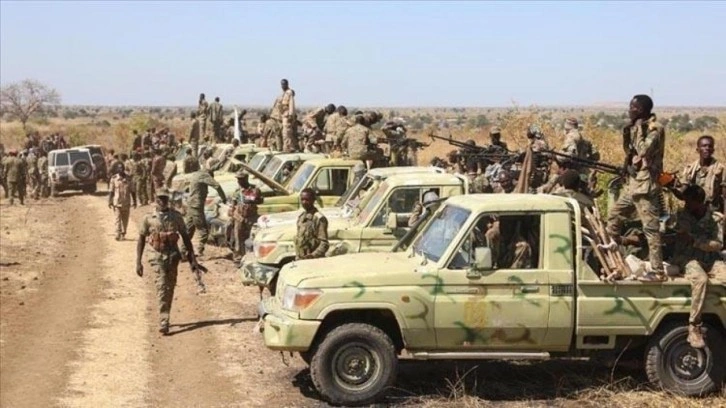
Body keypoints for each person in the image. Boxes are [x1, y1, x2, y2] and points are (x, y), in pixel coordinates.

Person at [606, 94, 666, 282]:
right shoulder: (634, 127)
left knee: (651, 229)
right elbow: (630, 151)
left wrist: (639, 129)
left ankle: (657, 272)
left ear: (641, 110)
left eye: (633, 107)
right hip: (634, 184)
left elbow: (644, 151)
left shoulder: (654, 129)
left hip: (646, 186)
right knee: (614, 216)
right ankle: (613, 255)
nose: (629, 110)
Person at [137, 188, 202, 335]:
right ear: (156, 199)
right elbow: (141, 238)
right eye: (160, 198)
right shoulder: (148, 218)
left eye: (165, 198)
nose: (162, 201)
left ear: (168, 200)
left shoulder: (176, 217)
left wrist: (192, 259)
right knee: (161, 285)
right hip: (156, 256)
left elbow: (185, 237)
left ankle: (166, 313)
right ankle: (164, 320)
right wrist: (138, 261)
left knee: (170, 286)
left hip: (172, 256)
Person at [669, 185, 726, 348]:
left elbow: (718, 244)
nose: (686, 205)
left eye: (689, 202)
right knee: (700, 280)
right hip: (686, 258)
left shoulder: (715, 219)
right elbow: (672, 233)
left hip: (710, 259)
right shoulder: (681, 216)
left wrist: (696, 241)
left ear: (699, 202)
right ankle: (694, 326)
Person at [184, 168, 227, 259]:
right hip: (196, 206)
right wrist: (223, 198)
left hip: (190, 205)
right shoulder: (204, 175)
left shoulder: (196, 174)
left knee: (189, 230)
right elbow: (217, 186)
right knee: (204, 231)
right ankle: (199, 251)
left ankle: (183, 251)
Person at [676, 135, 725, 214]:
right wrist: (672, 187)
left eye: (710, 146)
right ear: (698, 150)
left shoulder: (721, 169)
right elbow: (682, 195)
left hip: (712, 212)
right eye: (704, 146)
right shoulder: (690, 169)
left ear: (713, 150)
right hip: (692, 211)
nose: (707, 148)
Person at [229, 170, 263, 262]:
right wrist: (232, 216)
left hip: (251, 217)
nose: (239, 181)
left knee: (252, 237)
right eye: (238, 179)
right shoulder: (237, 191)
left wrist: (252, 200)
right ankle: (239, 257)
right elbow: (233, 204)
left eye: (241, 179)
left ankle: (252, 256)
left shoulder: (254, 189)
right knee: (238, 238)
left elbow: (260, 200)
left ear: (246, 179)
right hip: (239, 217)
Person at [295, 188, 329, 260]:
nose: (304, 202)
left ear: (313, 200)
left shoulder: (319, 219)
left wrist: (313, 255)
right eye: (302, 199)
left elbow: (324, 244)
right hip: (301, 259)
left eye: (307, 199)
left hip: (314, 260)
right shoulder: (301, 217)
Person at [109, 163, 137, 241]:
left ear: (124, 168)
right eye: (119, 168)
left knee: (125, 220)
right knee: (117, 219)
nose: (120, 169)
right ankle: (117, 234)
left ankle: (123, 233)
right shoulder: (114, 179)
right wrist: (110, 201)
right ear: (117, 169)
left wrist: (135, 201)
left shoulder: (129, 179)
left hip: (126, 202)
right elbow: (111, 191)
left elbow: (133, 191)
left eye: (122, 168)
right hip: (117, 203)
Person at [275, 79, 297, 152]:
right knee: (284, 133)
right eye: (282, 84)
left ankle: (289, 148)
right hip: (283, 114)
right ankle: (287, 147)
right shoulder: (283, 94)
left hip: (287, 115)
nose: (282, 86)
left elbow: (291, 104)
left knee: (286, 132)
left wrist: (291, 114)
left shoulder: (289, 93)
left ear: (287, 84)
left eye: (284, 84)